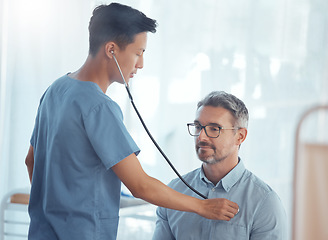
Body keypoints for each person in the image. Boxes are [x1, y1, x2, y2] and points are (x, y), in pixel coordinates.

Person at [24, 3, 239, 240]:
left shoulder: (55, 89)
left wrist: (55, 211)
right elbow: (140, 186)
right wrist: (203, 206)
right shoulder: (99, 108)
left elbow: (31, 161)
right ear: (111, 50)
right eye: (138, 53)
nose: (141, 64)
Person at [152, 91, 287, 240]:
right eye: (198, 127)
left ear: (240, 136)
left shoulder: (264, 202)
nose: (201, 137)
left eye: (214, 129)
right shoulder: (174, 192)